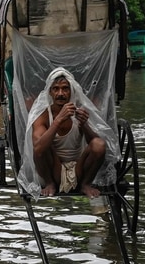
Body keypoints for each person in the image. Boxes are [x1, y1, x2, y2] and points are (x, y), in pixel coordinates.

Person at [30, 68, 107, 198]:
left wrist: (84, 125)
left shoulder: (79, 112)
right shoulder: (43, 116)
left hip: (79, 167)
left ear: (71, 91)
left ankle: (86, 184)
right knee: (41, 145)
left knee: (99, 144)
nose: (60, 93)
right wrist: (58, 120)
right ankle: (49, 184)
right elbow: (38, 149)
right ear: (50, 92)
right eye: (56, 89)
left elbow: (97, 145)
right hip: (54, 170)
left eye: (65, 89)